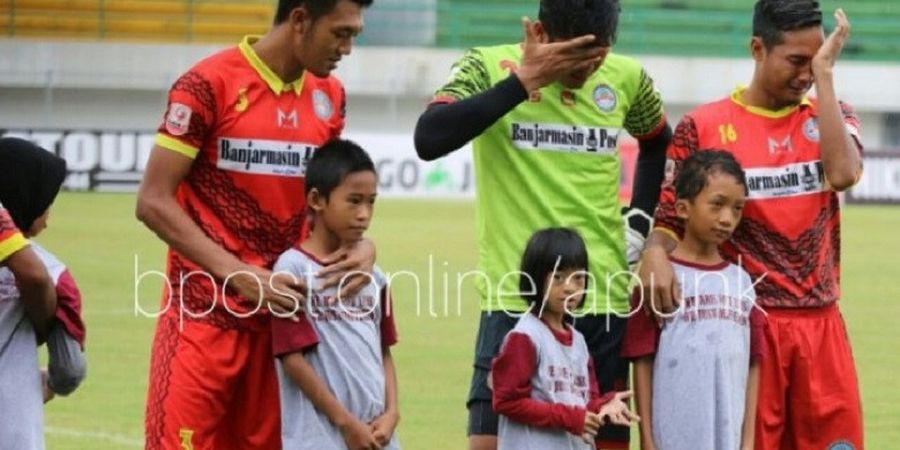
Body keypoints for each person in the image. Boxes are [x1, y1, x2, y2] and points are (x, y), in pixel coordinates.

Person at [413, 0, 672, 448]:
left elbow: (657, 143)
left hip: (601, 303)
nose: (586, 71)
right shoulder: (489, 65)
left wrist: (640, 224)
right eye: (573, 57)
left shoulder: (628, 77)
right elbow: (430, 137)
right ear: (540, 32)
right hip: (514, 299)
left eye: (598, 57)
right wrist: (525, 81)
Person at [135, 1, 377, 448]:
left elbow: (329, 200)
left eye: (354, 35)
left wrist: (365, 248)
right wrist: (240, 275)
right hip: (202, 319)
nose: (347, 48)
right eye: (340, 33)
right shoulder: (207, 84)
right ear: (300, 20)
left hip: (284, 336)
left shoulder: (331, 97)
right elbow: (152, 200)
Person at [638, 2, 864, 449]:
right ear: (758, 49)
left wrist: (824, 78)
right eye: (797, 61)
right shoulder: (702, 127)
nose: (806, 73)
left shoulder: (830, 115)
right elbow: (668, 220)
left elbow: (843, 175)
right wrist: (651, 252)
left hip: (822, 329)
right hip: (749, 330)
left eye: (817, 60)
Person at [622, 150, 766, 450]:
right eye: (717, 205)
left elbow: (753, 365)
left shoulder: (742, 283)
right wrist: (648, 440)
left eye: (737, 209)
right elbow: (642, 362)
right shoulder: (658, 279)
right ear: (683, 209)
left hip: (727, 438)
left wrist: (748, 440)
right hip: (674, 437)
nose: (727, 219)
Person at [271, 139, 399, 450]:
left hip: (377, 435)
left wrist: (392, 413)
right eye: (353, 201)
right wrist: (345, 423)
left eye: (371, 202)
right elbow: (292, 359)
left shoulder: (375, 275)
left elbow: (384, 351)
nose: (364, 214)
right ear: (316, 199)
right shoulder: (292, 268)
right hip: (320, 437)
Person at [491, 228, 638, 450]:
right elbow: (506, 401)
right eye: (558, 277)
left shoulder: (578, 341)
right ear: (535, 279)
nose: (569, 287)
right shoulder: (526, 337)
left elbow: (583, 402)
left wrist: (603, 406)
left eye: (578, 278)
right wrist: (571, 418)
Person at [0, 137, 69, 449]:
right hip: (13, 424)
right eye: (46, 206)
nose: (48, 219)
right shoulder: (50, 269)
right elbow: (71, 369)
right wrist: (44, 323)